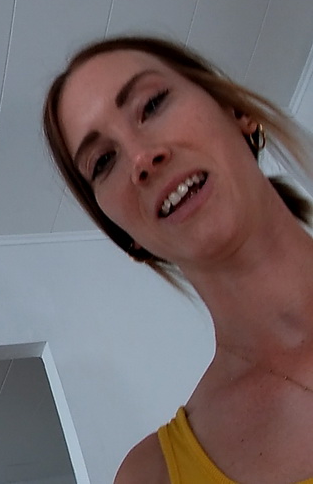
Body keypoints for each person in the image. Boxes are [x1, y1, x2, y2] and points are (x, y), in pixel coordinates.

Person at [43, 35, 313, 483]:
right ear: (126, 237)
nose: (141, 159)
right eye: (103, 161)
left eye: (151, 105)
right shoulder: (151, 475)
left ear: (236, 112)